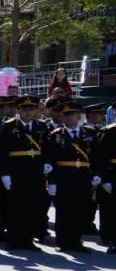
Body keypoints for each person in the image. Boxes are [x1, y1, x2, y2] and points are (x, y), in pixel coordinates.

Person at [0, 95, 49, 250]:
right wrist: (4, 173)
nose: (28, 112)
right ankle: (14, 239)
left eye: (31, 108)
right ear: (18, 110)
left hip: (35, 172)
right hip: (16, 172)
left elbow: (48, 149)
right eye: (24, 109)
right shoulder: (9, 126)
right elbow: (0, 151)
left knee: (32, 207)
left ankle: (28, 240)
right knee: (14, 207)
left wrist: (47, 164)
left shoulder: (42, 126)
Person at [45, 100, 99, 253]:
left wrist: (96, 175)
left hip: (82, 177)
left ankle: (76, 240)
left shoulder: (89, 133)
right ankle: (63, 241)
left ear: (79, 116)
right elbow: (51, 160)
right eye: (66, 115)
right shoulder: (56, 135)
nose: (68, 118)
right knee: (63, 210)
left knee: (80, 209)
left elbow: (96, 157)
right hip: (63, 177)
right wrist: (52, 181)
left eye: (72, 115)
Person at [94, 117, 116, 252]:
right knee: (111, 208)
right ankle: (112, 238)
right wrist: (104, 178)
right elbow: (100, 156)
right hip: (113, 174)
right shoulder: (109, 131)